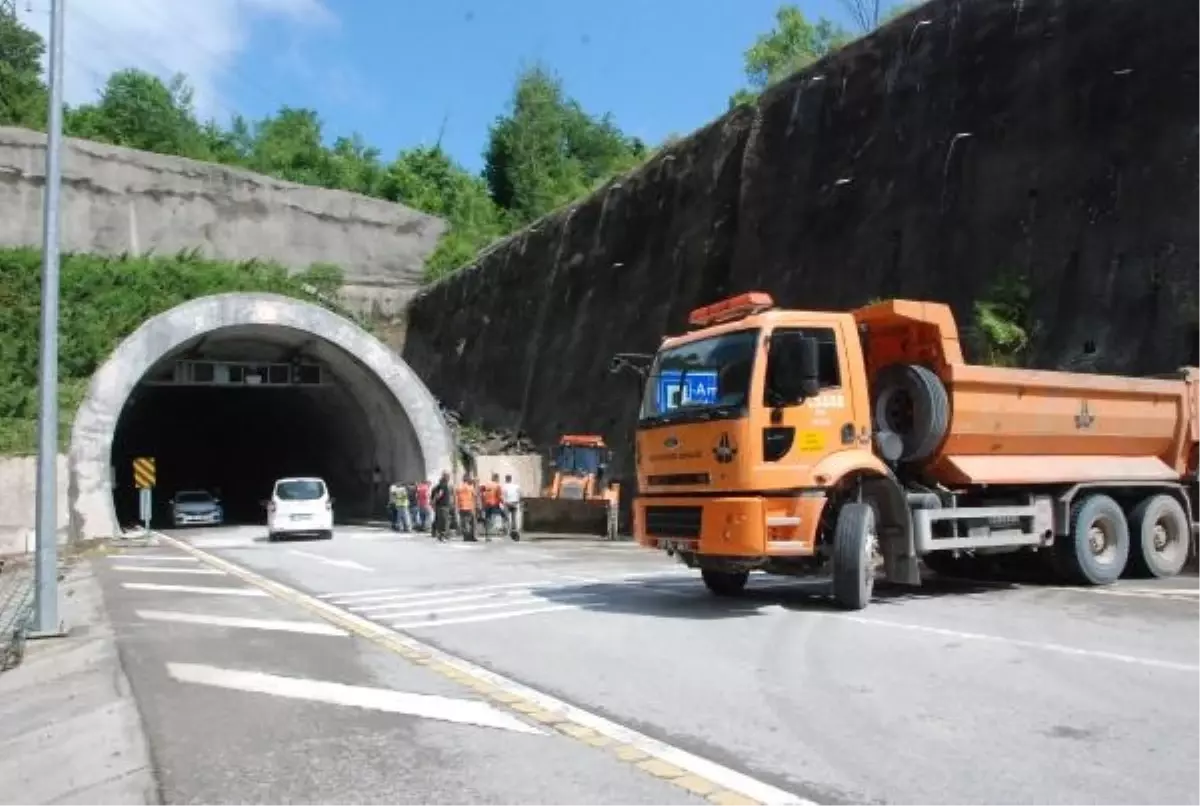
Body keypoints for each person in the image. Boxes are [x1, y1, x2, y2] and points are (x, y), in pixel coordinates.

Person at [455, 474, 479, 542]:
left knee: (464, 523)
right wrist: (476, 484)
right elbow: (475, 495)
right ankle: (473, 536)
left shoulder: (459, 487)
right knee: (473, 522)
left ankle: (466, 537)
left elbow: (456, 497)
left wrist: (456, 507)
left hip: (461, 507)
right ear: (468, 480)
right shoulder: (470, 487)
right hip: (469, 507)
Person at [479, 473, 503, 540]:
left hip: (486, 505)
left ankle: (487, 535)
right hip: (494, 505)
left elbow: (481, 492)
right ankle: (489, 534)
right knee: (501, 518)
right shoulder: (497, 486)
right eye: (498, 478)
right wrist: (503, 502)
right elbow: (499, 496)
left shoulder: (486, 484)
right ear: (496, 478)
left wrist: (482, 501)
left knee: (487, 519)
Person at [430, 471, 452, 542]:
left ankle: (440, 535)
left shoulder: (437, 486)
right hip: (443, 506)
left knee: (439, 520)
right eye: (448, 477)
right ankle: (443, 536)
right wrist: (434, 501)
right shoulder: (443, 485)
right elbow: (439, 494)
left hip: (440, 506)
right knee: (444, 521)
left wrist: (433, 503)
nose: (449, 478)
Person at [501, 473, 522, 541]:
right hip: (514, 503)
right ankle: (514, 530)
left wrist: (503, 502)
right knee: (514, 518)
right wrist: (518, 501)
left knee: (506, 518)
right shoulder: (516, 486)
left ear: (506, 479)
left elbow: (503, 495)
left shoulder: (503, 486)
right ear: (511, 479)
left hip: (507, 503)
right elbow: (520, 494)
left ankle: (507, 531)